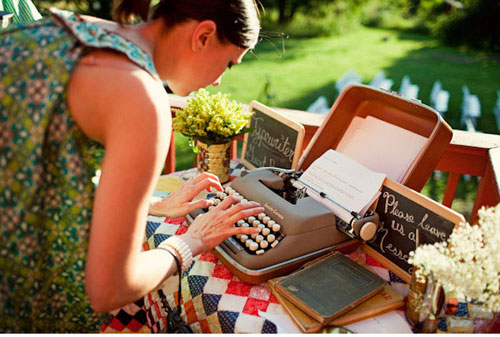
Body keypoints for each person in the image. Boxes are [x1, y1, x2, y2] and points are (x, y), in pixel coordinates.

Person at [0, 0, 263, 332]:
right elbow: (110, 289)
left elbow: (40, 161)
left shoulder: (74, 28)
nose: (218, 82)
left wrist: (149, 205)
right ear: (204, 35)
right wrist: (193, 241)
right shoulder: (139, 96)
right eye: (228, 63)